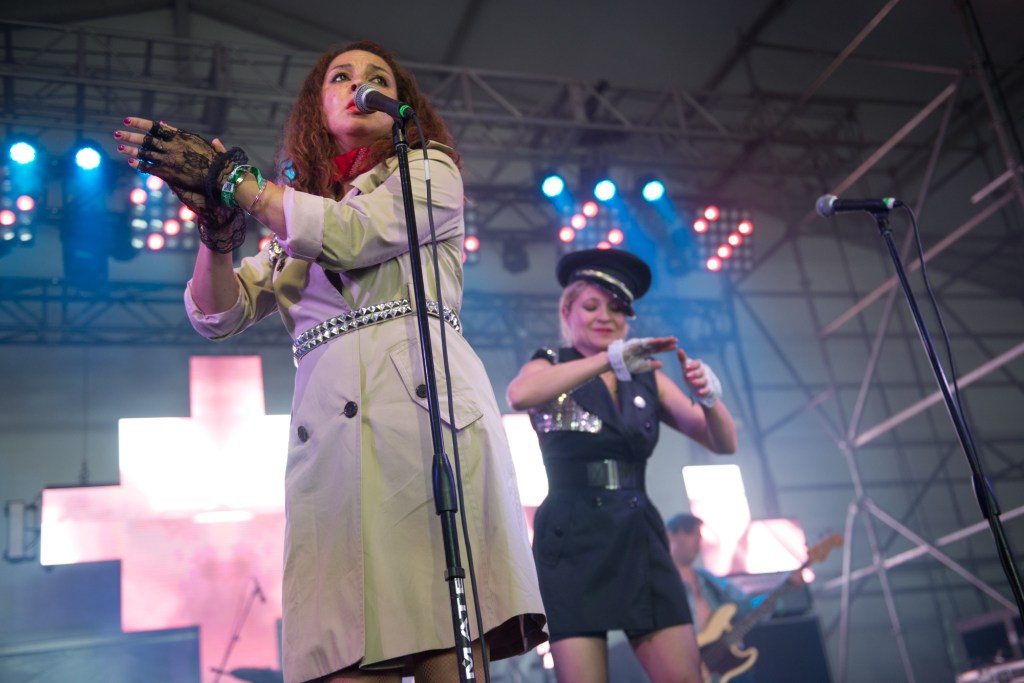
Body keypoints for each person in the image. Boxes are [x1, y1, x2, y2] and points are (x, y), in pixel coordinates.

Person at [114, 40, 546, 683]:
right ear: (317, 108)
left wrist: (236, 182)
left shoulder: (429, 173)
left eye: (378, 77)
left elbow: (352, 237)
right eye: (340, 77)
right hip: (332, 453)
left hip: (427, 432)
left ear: (401, 103)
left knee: (443, 644)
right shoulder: (293, 224)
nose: (359, 85)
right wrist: (217, 236)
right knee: (341, 648)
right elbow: (217, 314)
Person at [505, 248, 738, 683]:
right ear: (567, 310)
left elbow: (722, 443)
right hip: (571, 539)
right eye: (591, 306)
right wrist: (607, 361)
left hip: (638, 536)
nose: (604, 317)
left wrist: (710, 398)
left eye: (616, 309)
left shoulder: (644, 374)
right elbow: (519, 395)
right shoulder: (551, 362)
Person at [665, 513, 759, 683]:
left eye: (699, 536)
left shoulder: (708, 579)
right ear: (670, 536)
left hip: (728, 665)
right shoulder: (662, 586)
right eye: (692, 534)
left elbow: (747, 607)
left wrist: (785, 585)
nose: (697, 542)